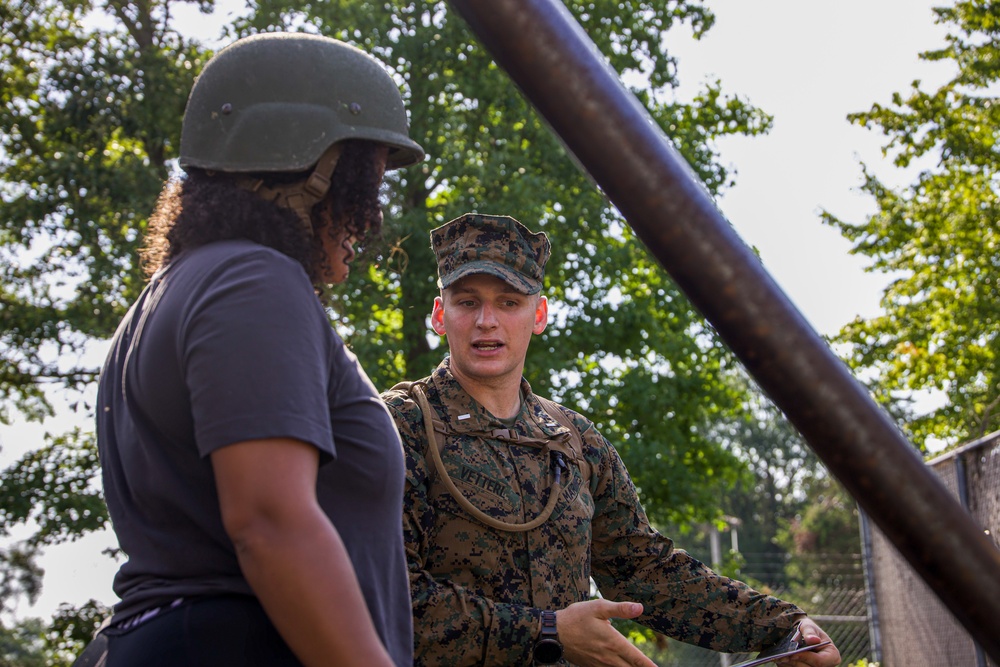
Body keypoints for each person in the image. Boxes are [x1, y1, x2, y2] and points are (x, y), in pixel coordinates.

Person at [74, 32, 424, 667]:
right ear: (311, 171)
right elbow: (269, 522)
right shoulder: (251, 280)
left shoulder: (185, 286)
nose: (369, 217)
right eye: (363, 179)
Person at [381, 213, 842, 667]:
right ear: (441, 315)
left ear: (537, 315)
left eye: (508, 302)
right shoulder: (398, 427)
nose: (486, 321)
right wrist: (547, 633)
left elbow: (644, 569)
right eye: (467, 302)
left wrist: (783, 627)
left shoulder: (573, 439)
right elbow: (385, 597)